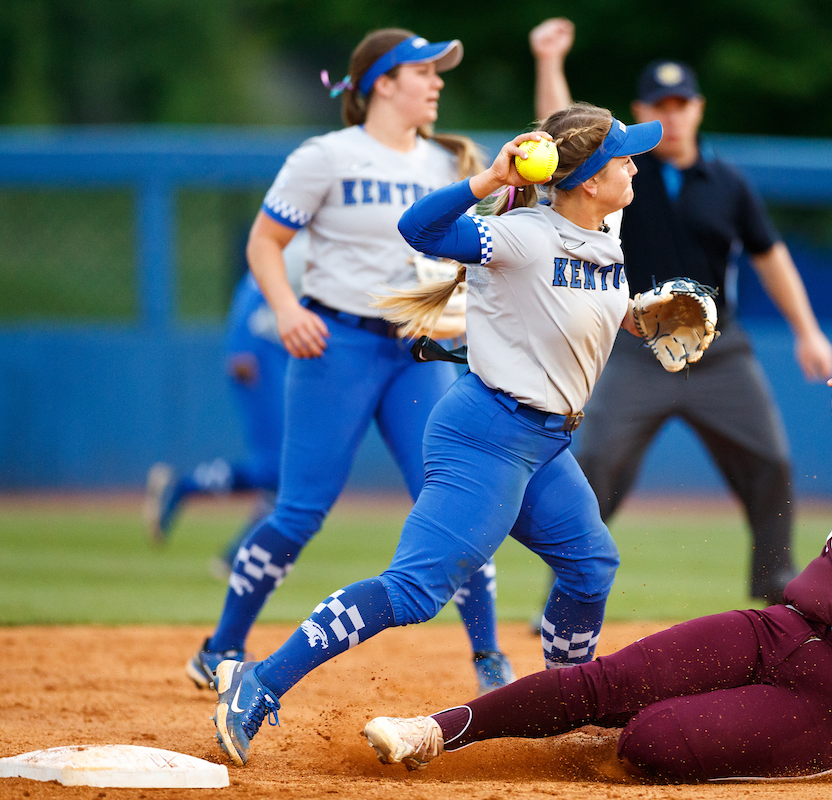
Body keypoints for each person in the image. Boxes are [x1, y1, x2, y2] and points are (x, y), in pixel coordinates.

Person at [208, 102, 673, 767]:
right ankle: (259, 680)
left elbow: (574, 302)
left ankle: (566, 707)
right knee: (413, 592)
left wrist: (642, 316)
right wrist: (487, 181)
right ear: (591, 178)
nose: (635, 162)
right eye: (623, 155)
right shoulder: (521, 236)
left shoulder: (605, 227)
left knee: (591, 565)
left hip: (544, 445)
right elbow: (417, 228)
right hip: (486, 436)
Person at [361, 374, 832, 782]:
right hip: (775, 631)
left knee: (648, 742)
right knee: (602, 682)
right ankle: (433, 730)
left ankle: (626, 731)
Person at [185, 28, 514, 701]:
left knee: (453, 501)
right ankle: (220, 646)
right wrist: (283, 308)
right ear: (382, 83)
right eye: (424, 71)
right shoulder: (326, 156)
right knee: (300, 510)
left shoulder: (446, 163)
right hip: (337, 345)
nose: (437, 81)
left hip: (416, 351)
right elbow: (264, 242)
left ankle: (488, 657)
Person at [529, 19, 832, 604]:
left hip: (719, 352)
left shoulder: (728, 183)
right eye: (658, 103)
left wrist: (808, 331)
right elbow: (562, 139)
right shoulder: (617, 175)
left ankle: (775, 581)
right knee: (596, 460)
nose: (672, 113)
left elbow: (771, 258)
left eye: (682, 102)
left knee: (770, 459)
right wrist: (550, 62)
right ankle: (568, 584)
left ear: (698, 108)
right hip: (635, 345)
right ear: (640, 109)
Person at [144, 230, 308, 578]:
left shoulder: (331, 239)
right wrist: (240, 345)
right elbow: (254, 284)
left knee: (285, 471)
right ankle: (187, 492)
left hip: (282, 356)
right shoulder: (304, 242)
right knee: (278, 468)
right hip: (260, 355)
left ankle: (238, 553)